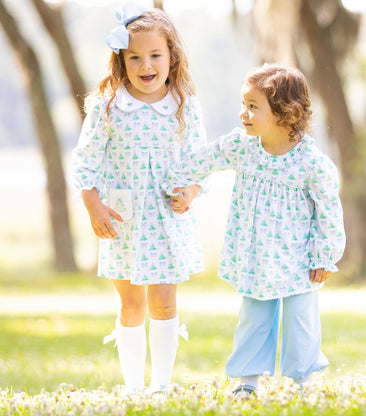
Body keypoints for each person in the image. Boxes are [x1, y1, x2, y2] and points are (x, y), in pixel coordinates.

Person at [166, 63, 346, 397]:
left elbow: (329, 211)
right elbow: (203, 160)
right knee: (254, 317)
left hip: (299, 257)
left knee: (300, 320)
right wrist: (180, 182)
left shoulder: (311, 163)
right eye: (243, 104)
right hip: (255, 254)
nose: (243, 114)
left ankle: (302, 380)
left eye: (252, 107)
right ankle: (247, 381)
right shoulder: (243, 147)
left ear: (285, 113)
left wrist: (325, 255)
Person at [72, 2, 205, 395]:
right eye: (135, 57)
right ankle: (133, 387)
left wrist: (192, 191)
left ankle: (161, 386)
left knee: (163, 305)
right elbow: (86, 160)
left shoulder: (184, 106)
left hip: (167, 219)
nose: (146, 65)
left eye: (155, 56)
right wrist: (92, 203)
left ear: (171, 57)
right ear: (121, 61)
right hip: (124, 220)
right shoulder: (109, 106)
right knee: (131, 305)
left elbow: (199, 161)